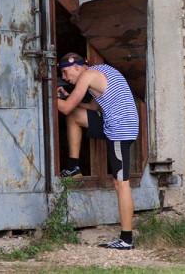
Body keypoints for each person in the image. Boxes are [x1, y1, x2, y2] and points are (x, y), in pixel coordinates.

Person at [57, 53, 139, 250]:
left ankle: (126, 240)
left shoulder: (88, 76)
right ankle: (73, 167)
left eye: (66, 73)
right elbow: (93, 107)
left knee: (121, 184)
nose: (66, 78)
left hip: (120, 130)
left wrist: (45, 95)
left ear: (76, 67)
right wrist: (69, 98)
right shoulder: (99, 72)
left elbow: (66, 108)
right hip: (112, 124)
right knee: (75, 117)